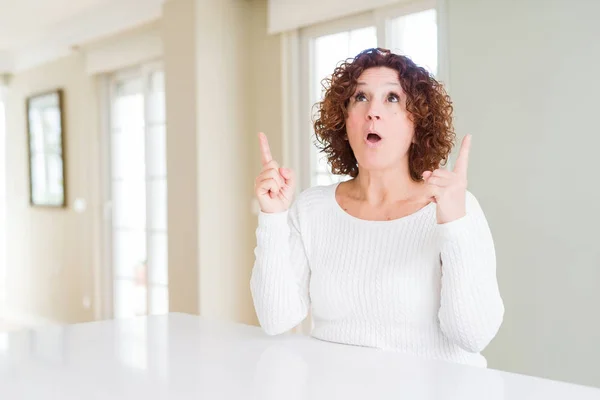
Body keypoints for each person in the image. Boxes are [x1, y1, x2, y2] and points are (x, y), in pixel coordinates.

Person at [250, 48, 504, 367]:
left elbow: (473, 335)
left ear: (417, 124)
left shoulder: (454, 206)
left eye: (392, 98)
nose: (373, 111)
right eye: (360, 97)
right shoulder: (313, 209)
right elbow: (276, 319)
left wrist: (454, 226)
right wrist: (273, 218)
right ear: (345, 121)